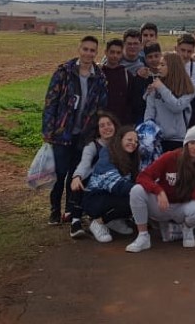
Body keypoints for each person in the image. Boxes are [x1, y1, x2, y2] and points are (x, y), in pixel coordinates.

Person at [41, 35, 108, 226]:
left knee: (76, 174)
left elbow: (102, 107)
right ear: (79, 50)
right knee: (59, 174)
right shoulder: (64, 72)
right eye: (85, 49)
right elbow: (50, 102)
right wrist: (48, 130)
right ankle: (54, 210)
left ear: (96, 53)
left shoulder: (100, 77)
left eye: (92, 50)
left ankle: (70, 211)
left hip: (84, 135)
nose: (88, 53)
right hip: (62, 133)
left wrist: (97, 132)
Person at [125, 125, 195, 252]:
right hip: (161, 205)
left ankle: (187, 228)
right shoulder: (171, 156)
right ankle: (143, 236)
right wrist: (159, 191)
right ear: (186, 143)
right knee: (136, 190)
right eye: (192, 142)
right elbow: (143, 177)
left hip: (181, 209)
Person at [68, 112, 128, 240]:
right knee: (81, 180)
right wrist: (77, 176)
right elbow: (84, 163)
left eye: (109, 124)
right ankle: (76, 221)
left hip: (115, 181)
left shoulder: (123, 143)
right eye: (102, 126)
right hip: (95, 181)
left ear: (115, 126)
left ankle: (114, 219)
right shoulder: (93, 145)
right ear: (97, 130)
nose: (106, 128)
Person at [79, 125, 143, 242]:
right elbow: (115, 185)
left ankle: (113, 220)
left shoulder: (132, 159)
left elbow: (140, 178)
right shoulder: (108, 154)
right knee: (136, 196)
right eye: (129, 140)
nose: (133, 143)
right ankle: (97, 222)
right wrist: (143, 189)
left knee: (138, 196)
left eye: (136, 141)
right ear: (120, 139)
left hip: (113, 196)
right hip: (95, 199)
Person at [143, 52, 195, 151]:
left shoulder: (187, 89)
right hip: (158, 140)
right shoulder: (155, 87)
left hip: (178, 140)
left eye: (162, 65)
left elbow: (177, 107)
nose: (158, 67)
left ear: (173, 67)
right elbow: (149, 113)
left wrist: (162, 88)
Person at [101, 39, 133, 124]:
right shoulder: (98, 74)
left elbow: (130, 102)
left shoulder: (127, 75)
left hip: (121, 123)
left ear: (122, 54)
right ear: (106, 52)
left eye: (118, 53)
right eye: (112, 52)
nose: (115, 56)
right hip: (101, 124)